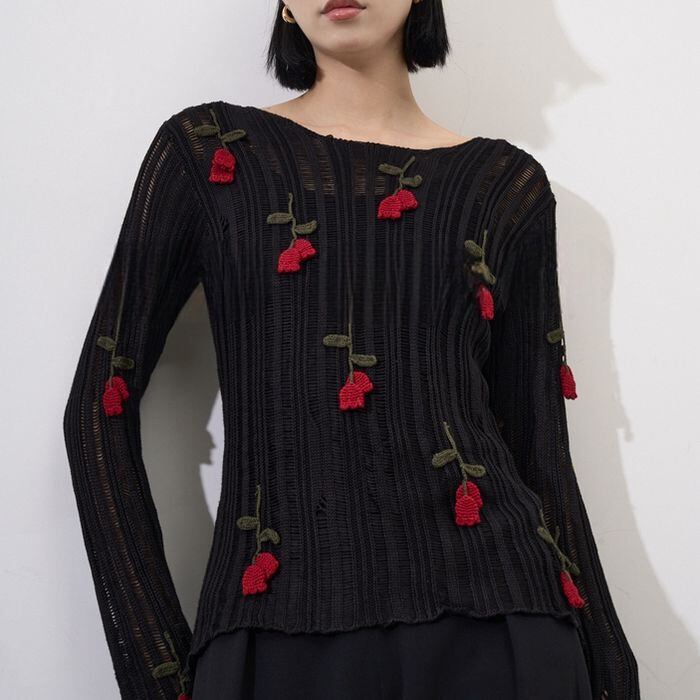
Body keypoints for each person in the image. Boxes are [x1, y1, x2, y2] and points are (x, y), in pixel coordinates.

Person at [62, 1, 640, 698]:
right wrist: (156, 671)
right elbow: (97, 407)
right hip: (272, 635)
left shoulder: (504, 185)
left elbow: (539, 448)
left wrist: (614, 675)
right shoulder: (211, 152)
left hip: (503, 627)